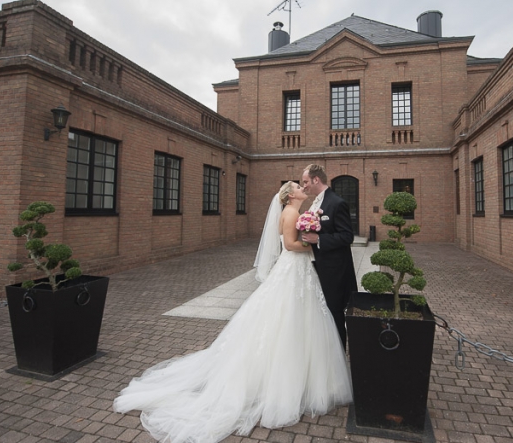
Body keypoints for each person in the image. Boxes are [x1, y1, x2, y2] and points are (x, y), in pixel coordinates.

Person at [113, 181, 352, 443]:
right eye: (297, 186)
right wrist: (312, 244)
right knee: (290, 317)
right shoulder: (292, 213)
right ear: (290, 195)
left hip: (297, 271)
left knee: (296, 317)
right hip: (294, 267)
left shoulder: (293, 211)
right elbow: (291, 245)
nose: (301, 187)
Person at [300, 164, 358, 349]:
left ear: (316, 179)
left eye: (306, 181)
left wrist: (319, 239)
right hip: (319, 267)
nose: (304, 186)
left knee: (335, 313)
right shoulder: (316, 202)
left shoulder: (336, 203)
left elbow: (347, 236)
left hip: (335, 271)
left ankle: (339, 352)